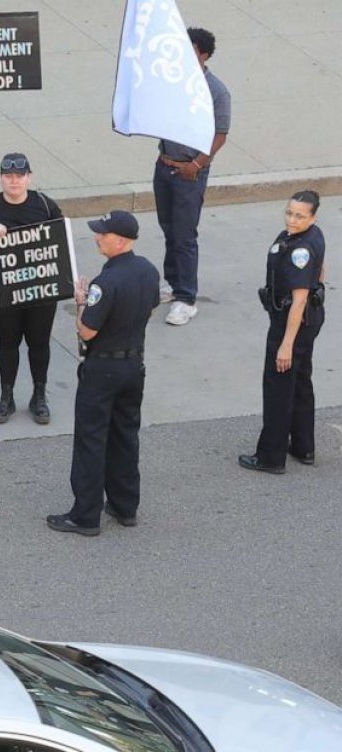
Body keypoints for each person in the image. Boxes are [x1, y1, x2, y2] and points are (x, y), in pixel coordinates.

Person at [47, 211, 159, 536]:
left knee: (91, 439)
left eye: (103, 234)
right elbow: (151, 307)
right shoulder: (148, 270)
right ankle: (125, 506)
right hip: (133, 365)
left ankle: (85, 515)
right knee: (126, 435)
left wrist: (82, 303)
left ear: (120, 240)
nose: (97, 238)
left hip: (103, 369)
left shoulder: (105, 282)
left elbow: (87, 331)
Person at [0, 153, 64, 424]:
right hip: (4, 292)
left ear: (29, 178)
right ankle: (6, 398)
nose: (14, 181)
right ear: (1, 179)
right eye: (8, 176)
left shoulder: (45, 205)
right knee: (8, 344)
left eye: (19, 176)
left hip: (41, 291)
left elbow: (61, 242)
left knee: (39, 343)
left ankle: (39, 396)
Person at [239, 191, 326, 474]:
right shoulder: (312, 235)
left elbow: (298, 300)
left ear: (313, 217)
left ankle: (270, 457)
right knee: (300, 381)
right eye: (289, 212)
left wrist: (286, 344)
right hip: (309, 319)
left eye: (300, 215)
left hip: (292, 321)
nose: (292, 219)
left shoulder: (301, 250)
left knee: (278, 387)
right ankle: (303, 446)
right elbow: (320, 269)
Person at [154, 27, 230, 327]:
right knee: (169, 228)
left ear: (204, 55)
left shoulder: (216, 91)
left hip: (189, 171)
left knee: (184, 234)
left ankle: (186, 298)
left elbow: (220, 134)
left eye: (191, 50)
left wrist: (196, 164)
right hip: (164, 166)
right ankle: (173, 283)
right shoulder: (172, 81)